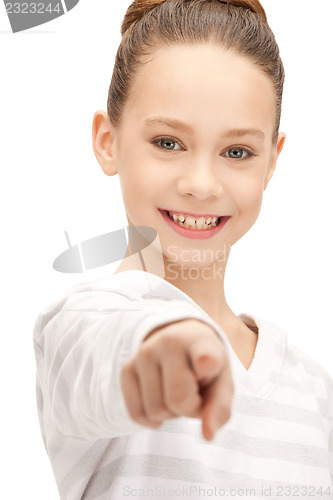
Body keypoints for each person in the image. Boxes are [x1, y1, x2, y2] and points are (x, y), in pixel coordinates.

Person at [33, 0, 333, 498]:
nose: (200, 183)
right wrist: (160, 353)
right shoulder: (80, 326)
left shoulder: (316, 392)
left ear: (272, 162)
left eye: (237, 152)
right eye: (169, 142)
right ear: (108, 141)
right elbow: (101, 361)